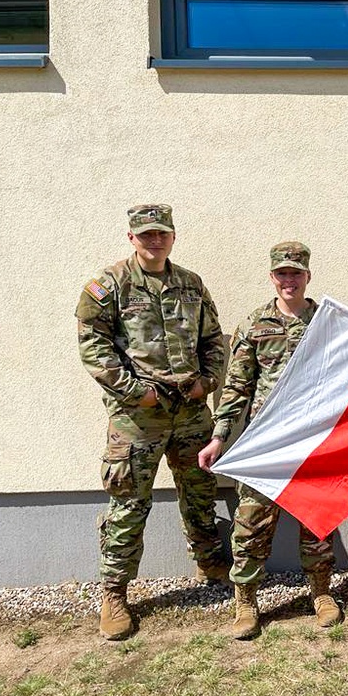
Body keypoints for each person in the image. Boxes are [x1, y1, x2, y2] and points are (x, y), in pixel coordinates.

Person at [76, 204, 228, 641]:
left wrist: (208, 381)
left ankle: (210, 560)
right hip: (137, 419)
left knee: (200, 492)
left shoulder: (191, 283)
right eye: (146, 235)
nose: (154, 240)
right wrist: (134, 391)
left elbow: (213, 339)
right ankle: (115, 591)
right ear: (132, 238)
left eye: (161, 233)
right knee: (128, 506)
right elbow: (93, 348)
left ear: (173, 237)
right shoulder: (108, 286)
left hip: (190, 412)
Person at [197, 242, 342, 639]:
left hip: (313, 441)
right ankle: (245, 599)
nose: (289, 280)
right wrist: (219, 437)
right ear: (272, 277)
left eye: (296, 273)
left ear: (308, 276)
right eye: (282, 274)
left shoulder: (327, 323)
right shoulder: (255, 325)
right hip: (267, 442)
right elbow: (236, 388)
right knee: (251, 524)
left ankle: (322, 592)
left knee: (317, 521)